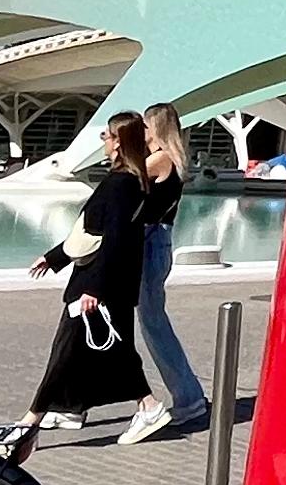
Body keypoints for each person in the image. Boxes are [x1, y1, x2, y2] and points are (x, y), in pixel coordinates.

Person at [27, 114, 154, 429]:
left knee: (67, 349)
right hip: (106, 281)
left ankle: (28, 423)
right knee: (112, 350)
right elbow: (91, 233)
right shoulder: (126, 180)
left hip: (99, 282)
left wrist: (95, 289)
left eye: (106, 134)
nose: (103, 140)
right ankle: (75, 407)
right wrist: (54, 257)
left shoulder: (123, 183)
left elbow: (115, 239)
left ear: (119, 141)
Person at [116, 101, 213, 444]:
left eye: (144, 126)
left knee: (154, 325)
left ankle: (189, 400)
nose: (140, 132)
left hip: (151, 242)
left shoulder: (160, 159)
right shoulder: (171, 158)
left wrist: (118, 145)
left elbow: (124, 179)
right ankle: (189, 398)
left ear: (155, 127)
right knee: (152, 322)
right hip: (157, 242)